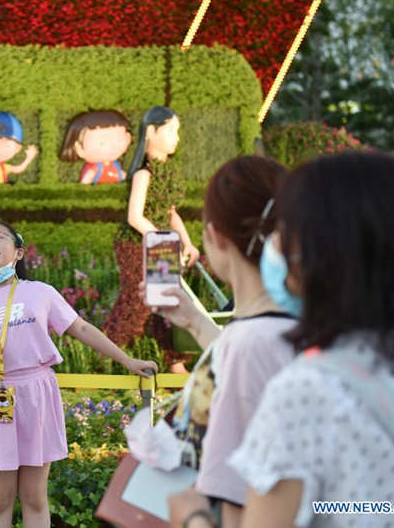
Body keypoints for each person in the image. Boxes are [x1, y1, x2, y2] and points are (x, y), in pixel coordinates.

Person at [170, 152, 394, 528]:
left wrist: (191, 516)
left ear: (319, 252)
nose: (274, 244)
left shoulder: (306, 391)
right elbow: (390, 507)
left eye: (287, 230)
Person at [0, 221, 158, 528]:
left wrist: (126, 360)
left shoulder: (40, 292)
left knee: (35, 497)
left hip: (36, 392)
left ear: (19, 251)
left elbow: (81, 328)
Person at [144, 155, 294, 527]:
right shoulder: (307, 325)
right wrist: (195, 322)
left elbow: (236, 504)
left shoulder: (249, 344)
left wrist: (189, 515)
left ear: (214, 237)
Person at [102, 106, 198, 373]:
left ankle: (175, 362)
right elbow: (135, 217)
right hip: (136, 245)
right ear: (152, 132)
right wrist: (167, 243)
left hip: (160, 243)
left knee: (167, 301)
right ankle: (103, 357)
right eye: (171, 131)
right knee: (137, 302)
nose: (176, 138)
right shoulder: (144, 173)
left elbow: (170, 213)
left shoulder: (168, 172)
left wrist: (186, 242)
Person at [59, 109, 132, 184]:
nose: (112, 147)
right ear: (79, 149)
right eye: (102, 143)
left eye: (118, 140)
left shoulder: (115, 165)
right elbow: (85, 181)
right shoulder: (94, 169)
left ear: (128, 139)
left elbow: (121, 174)